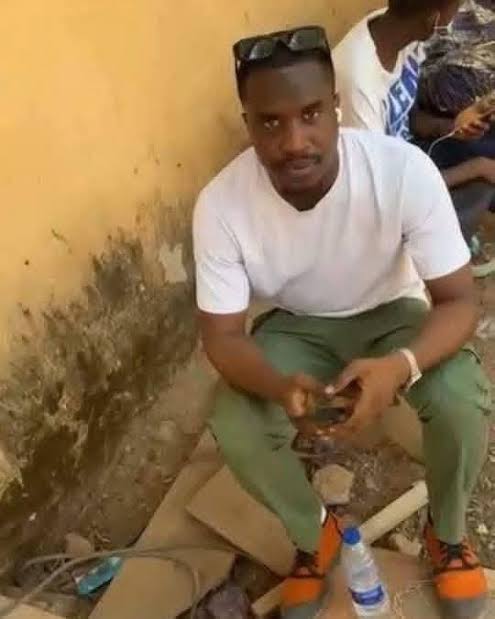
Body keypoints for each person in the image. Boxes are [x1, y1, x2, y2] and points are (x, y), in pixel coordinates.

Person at [193, 26, 491, 619]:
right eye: (270, 122)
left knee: (460, 395)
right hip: (299, 325)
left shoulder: (401, 171)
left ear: (334, 107)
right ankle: (315, 535)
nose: (294, 142)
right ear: (248, 123)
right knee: (234, 419)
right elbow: (221, 336)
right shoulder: (221, 206)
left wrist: (399, 366)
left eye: (310, 114)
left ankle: (447, 535)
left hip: (392, 310)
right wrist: (280, 387)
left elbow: (460, 301)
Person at [333, 0, 495, 244]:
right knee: (480, 180)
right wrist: (475, 168)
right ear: (432, 21)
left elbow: (407, 116)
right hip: (382, 194)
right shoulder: (358, 84)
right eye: (455, 10)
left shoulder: (399, 29)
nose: (455, 20)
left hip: (407, 155)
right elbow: (382, 191)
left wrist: (452, 127)